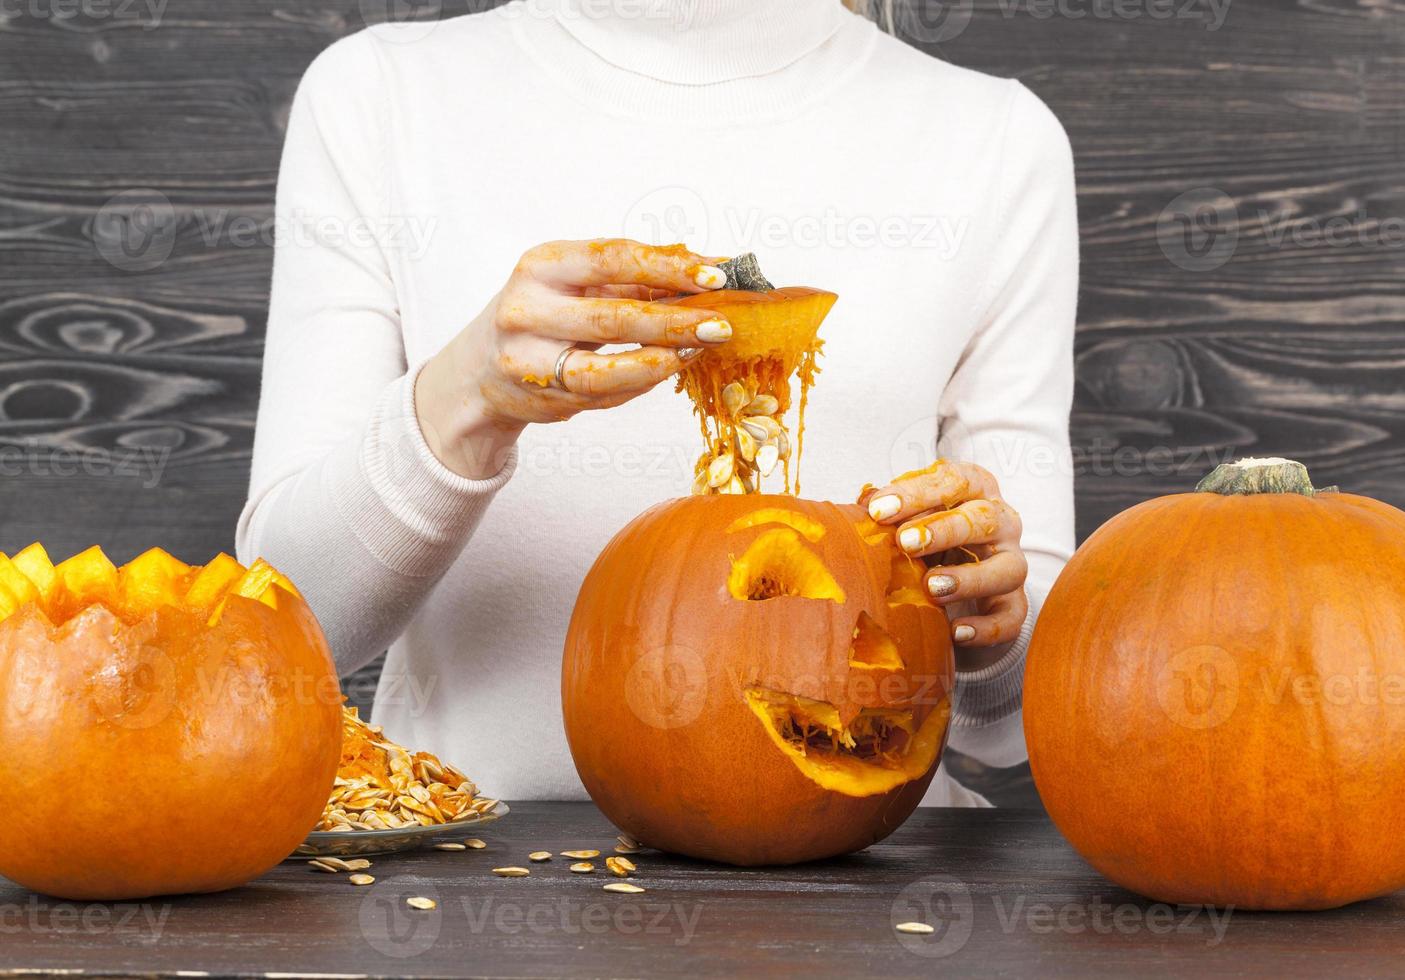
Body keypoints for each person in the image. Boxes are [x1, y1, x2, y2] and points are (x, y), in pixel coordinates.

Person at [238, 0, 1078, 806]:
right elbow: (285, 630)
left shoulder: (997, 141)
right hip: (480, 879)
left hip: (867, 888)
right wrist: (470, 400)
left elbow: (1014, 727)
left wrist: (990, 624)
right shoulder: (379, 94)